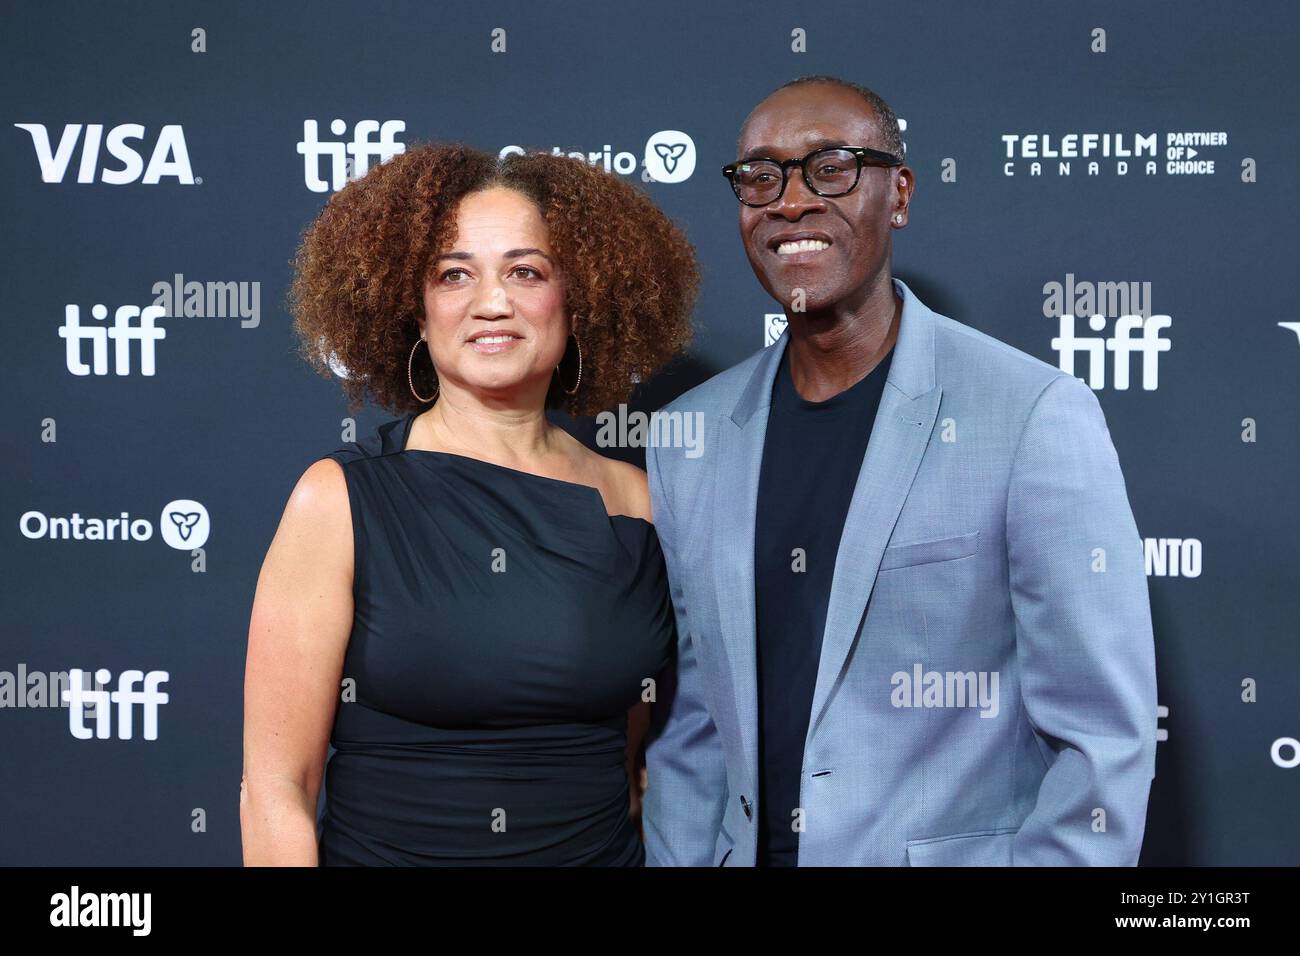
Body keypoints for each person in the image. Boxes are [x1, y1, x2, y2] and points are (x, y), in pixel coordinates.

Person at [643, 76, 1157, 866]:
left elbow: (1100, 738)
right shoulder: (690, 435)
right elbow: (695, 726)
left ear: (900, 194)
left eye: (831, 168)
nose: (790, 202)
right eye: (761, 176)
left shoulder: (1029, 414)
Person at [240, 143, 699, 865]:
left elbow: (636, 755)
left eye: (526, 271)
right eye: (455, 274)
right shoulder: (341, 500)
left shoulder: (638, 501)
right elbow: (275, 790)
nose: (494, 302)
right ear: (414, 313)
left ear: (577, 304)